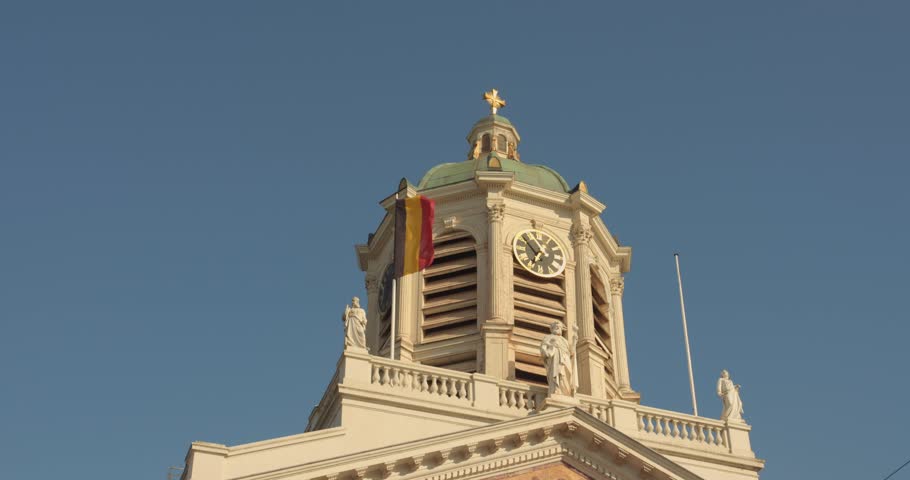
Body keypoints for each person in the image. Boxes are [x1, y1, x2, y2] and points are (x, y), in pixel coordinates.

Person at [539, 322, 577, 396]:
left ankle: (566, 392)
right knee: (557, 374)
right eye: (555, 327)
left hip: (565, 359)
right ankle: (556, 389)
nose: (557, 328)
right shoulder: (548, 337)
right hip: (555, 359)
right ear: (551, 329)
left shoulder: (565, 341)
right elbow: (543, 349)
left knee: (566, 376)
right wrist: (550, 348)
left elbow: (572, 352)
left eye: (559, 327)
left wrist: (574, 340)